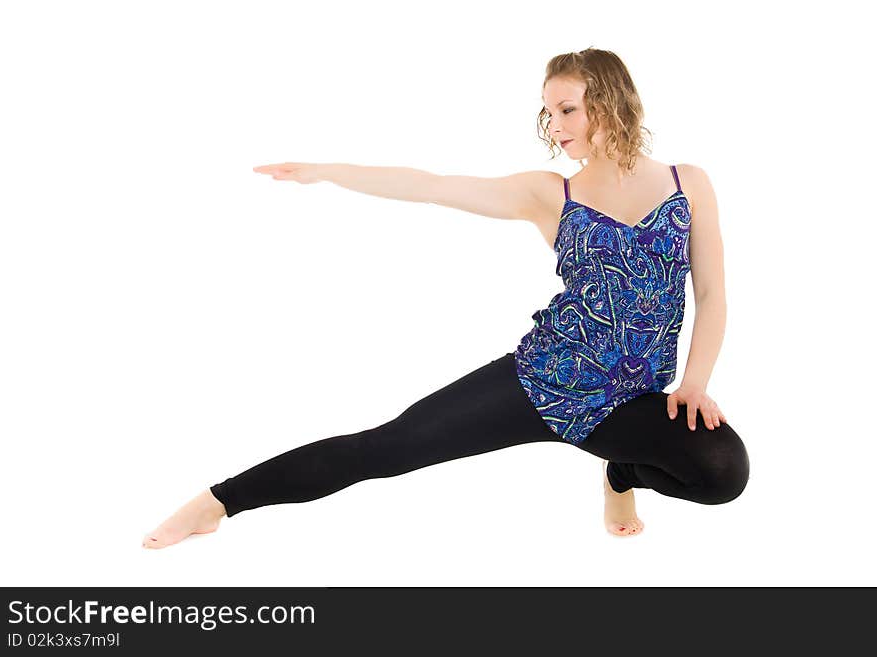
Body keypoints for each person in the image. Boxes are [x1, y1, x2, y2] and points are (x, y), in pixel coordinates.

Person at [142, 47, 749, 549]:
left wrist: (694, 382)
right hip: (544, 382)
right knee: (386, 448)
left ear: (611, 101)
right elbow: (433, 187)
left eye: (567, 108)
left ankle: (621, 469)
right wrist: (330, 170)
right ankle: (219, 502)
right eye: (549, 112)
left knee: (722, 472)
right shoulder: (549, 194)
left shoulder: (687, 184)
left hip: (634, 398)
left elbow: (713, 292)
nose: (555, 125)